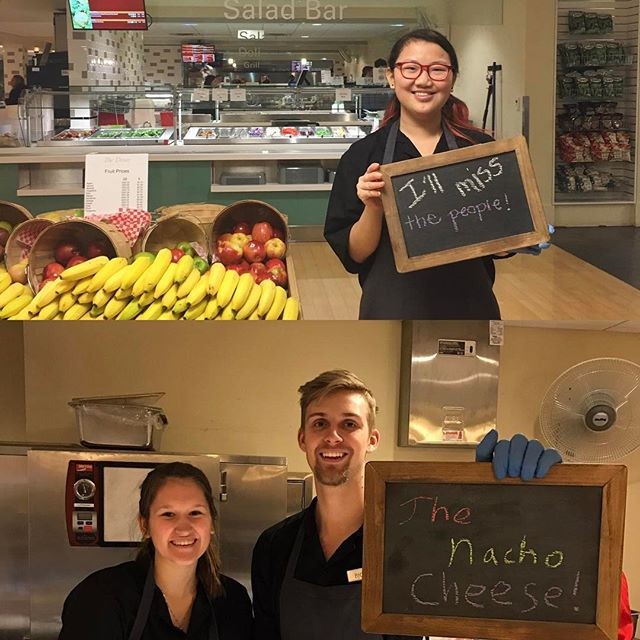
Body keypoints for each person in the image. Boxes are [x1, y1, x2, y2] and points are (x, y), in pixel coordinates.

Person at [251, 369, 562, 640]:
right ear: (303, 438)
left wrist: (519, 500)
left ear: (372, 439)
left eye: (349, 424)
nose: (333, 436)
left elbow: (486, 609)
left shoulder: (413, 538)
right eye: (320, 424)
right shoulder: (275, 545)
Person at [324, 29, 549, 320]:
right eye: (411, 68)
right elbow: (355, 255)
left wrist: (517, 237)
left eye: (438, 70)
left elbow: (496, 245)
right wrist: (374, 207)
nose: (424, 80)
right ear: (392, 76)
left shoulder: (482, 152)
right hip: (390, 310)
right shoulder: (361, 157)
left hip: (470, 308)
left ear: (453, 78)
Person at [59, 462, 253, 640]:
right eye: (168, 514)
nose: (184, 528)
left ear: (211, 523)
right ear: (145, 526)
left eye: (195, 513)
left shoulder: (232, 601)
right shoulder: (101, 598)